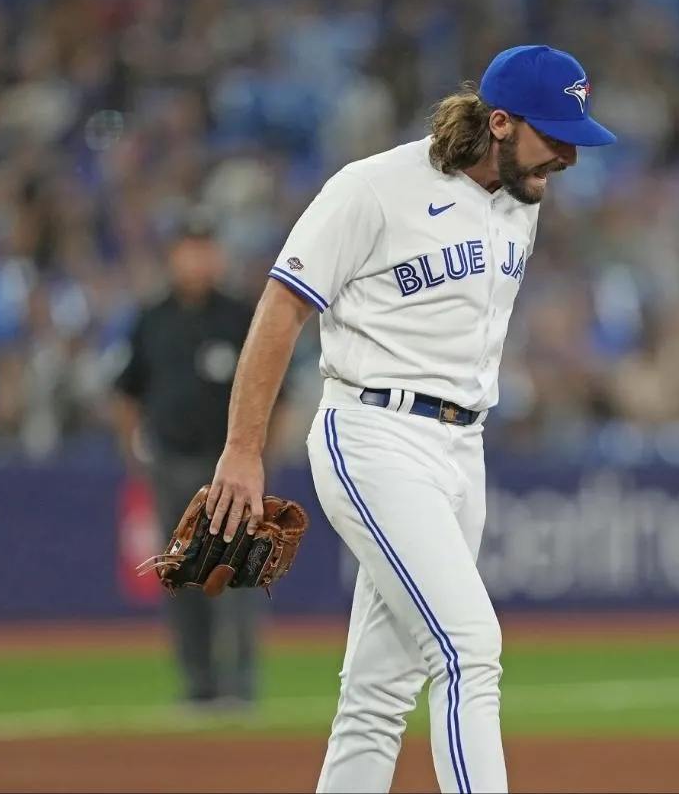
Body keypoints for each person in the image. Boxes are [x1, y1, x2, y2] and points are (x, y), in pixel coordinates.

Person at [202, 45, 616, 793]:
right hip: (374, 432)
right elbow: (281, 308)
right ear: (498, 122)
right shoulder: (373, 188)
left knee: (377, 693)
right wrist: (241, 447)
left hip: (463, 449)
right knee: (468, 648)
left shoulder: (521, 202)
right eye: (553, 135)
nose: (566, 156)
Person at [111, 212, 282, 712]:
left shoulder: (239, 315)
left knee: (240, 577)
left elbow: (280, 390)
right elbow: (126, 391)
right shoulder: (153, 318)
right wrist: (137, 453)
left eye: (206, 248)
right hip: (175, 464)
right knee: (184, 579)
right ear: (173, 256)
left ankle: (241, 688)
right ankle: (198, 686)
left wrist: (262, 455)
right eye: (189, 248)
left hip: (231, 470)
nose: (198, 259)